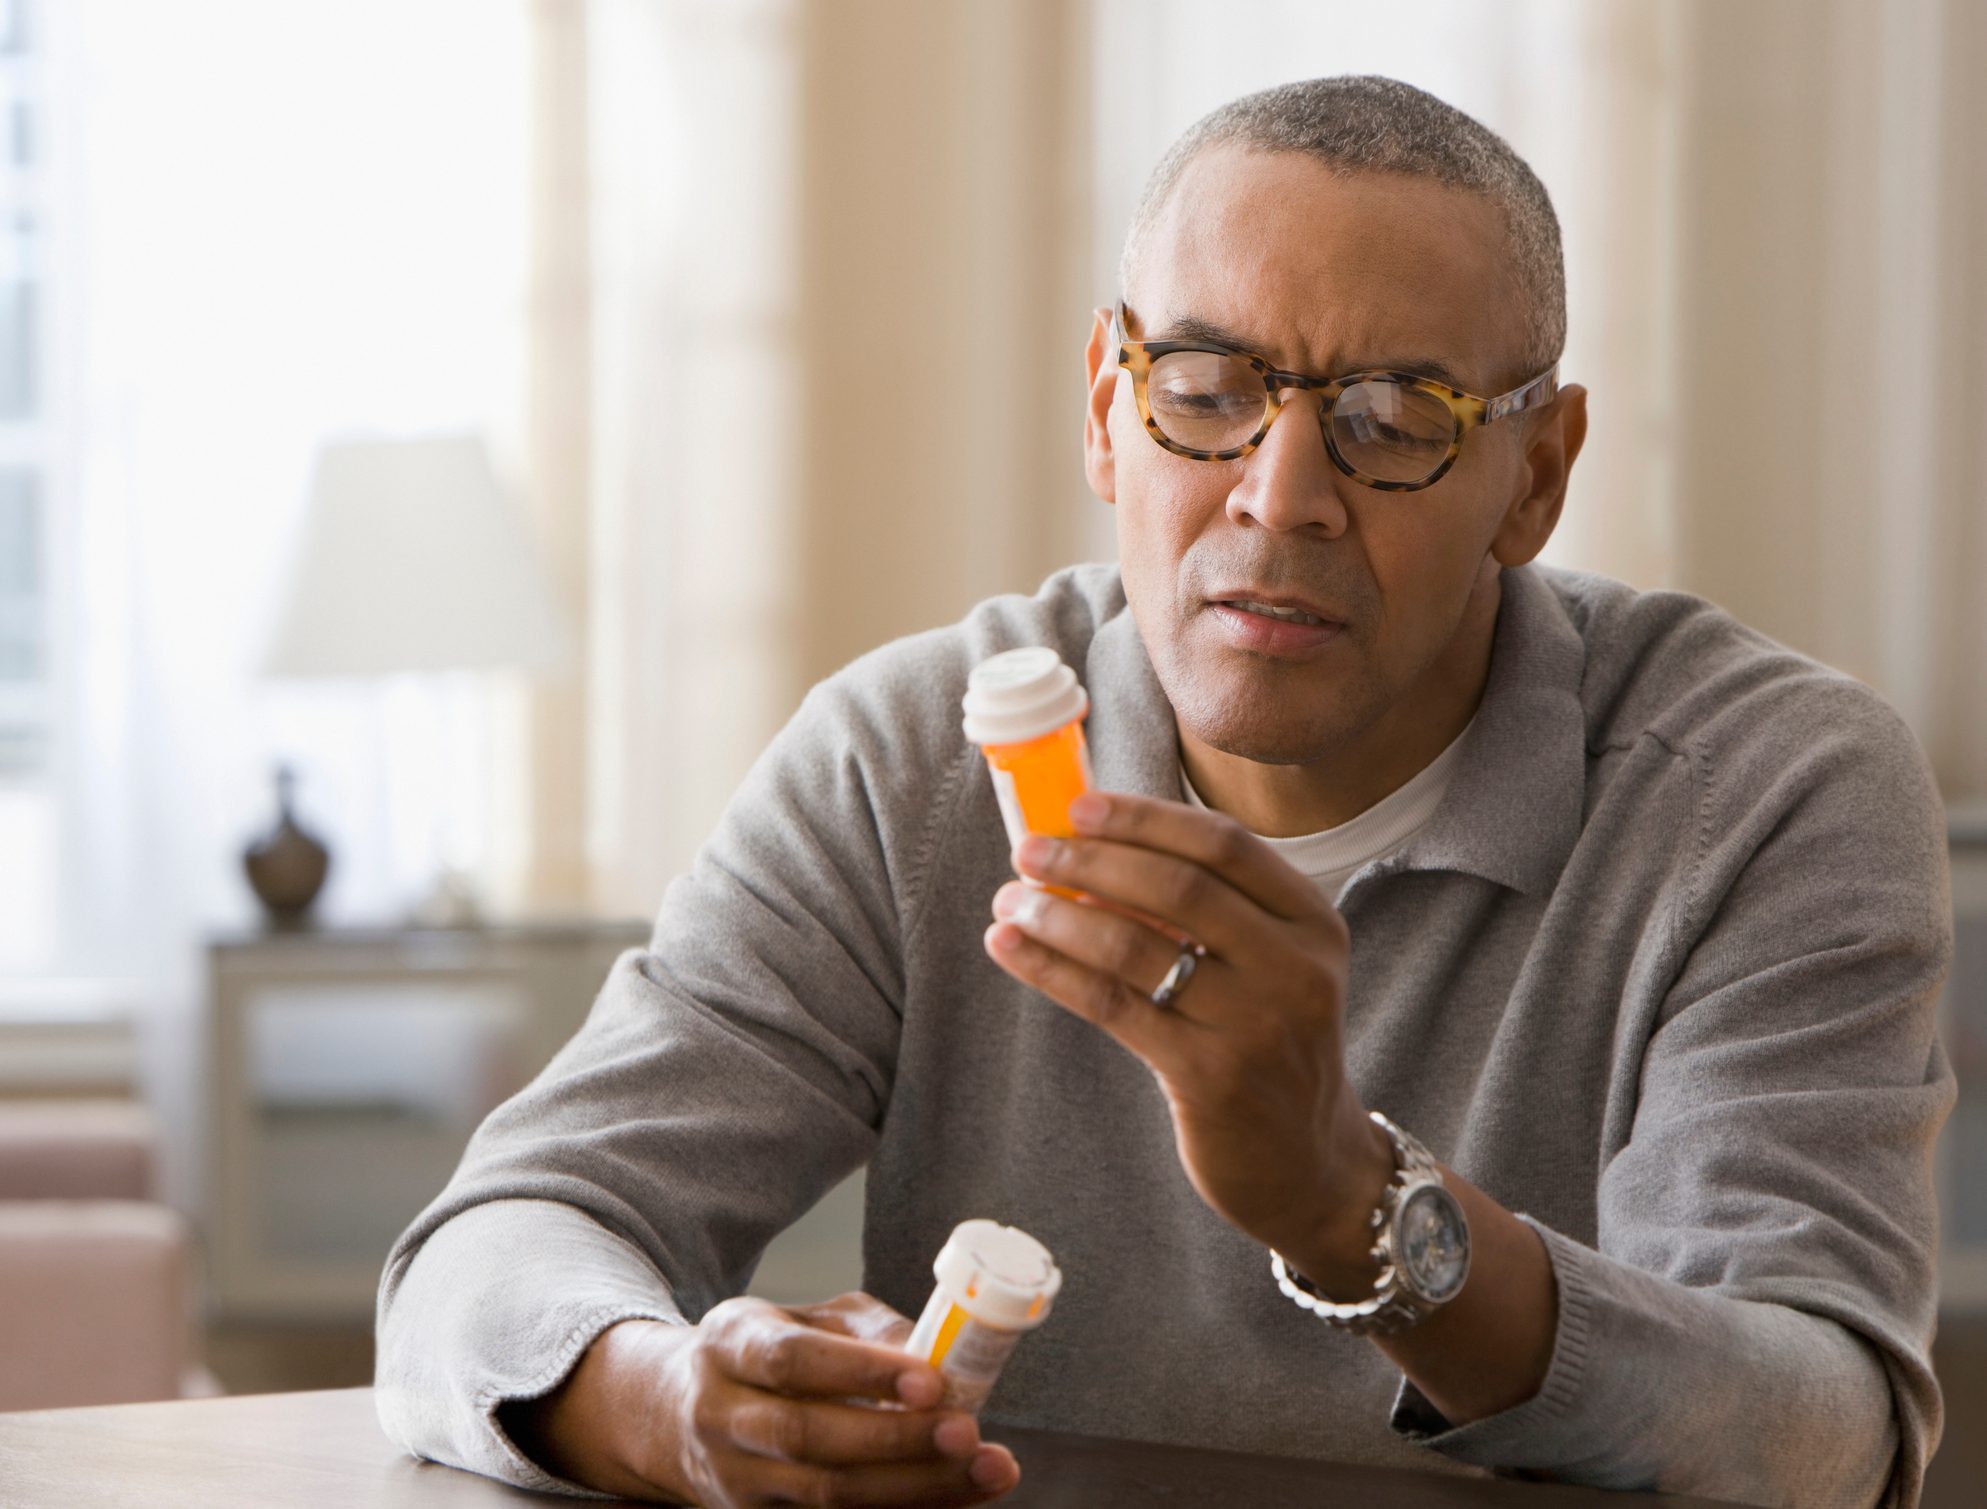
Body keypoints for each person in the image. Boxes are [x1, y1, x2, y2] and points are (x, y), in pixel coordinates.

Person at [375, 76, 1954, 1509]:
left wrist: (1354, 1204)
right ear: (1104, 408)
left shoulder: (1765, 788)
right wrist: (676, 1406)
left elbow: (1822, 1434)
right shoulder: (914, 757)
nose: (1280, 498)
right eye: (1204, 386)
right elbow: (494, 1247)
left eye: (1396, 423)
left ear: (1536, 474)